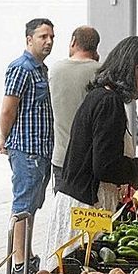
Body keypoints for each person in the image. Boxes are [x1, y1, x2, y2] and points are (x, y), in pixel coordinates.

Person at [46, 36, 138, 270]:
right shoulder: (108, 103)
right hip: (87, 207)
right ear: (134, 70)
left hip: (82, 202)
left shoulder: (101, 97)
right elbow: (105, 166)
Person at [0, 18, 55, 274]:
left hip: (42, 150)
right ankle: (19, 264)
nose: (49, 41)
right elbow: (8, 108)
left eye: (52, 36)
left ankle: (27, 255)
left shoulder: (41, 69)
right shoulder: (21, 68)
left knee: (32, 206)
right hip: (27, 151)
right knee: (23, 207)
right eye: (43, 36)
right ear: (29, 39)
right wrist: (2, 136)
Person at [50, 25, 101, 190]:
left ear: (73, 41)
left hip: (61, 157)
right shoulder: (100, 72)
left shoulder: (55, 70)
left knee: (62, 211)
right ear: (95, 47)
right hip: (89, 160)